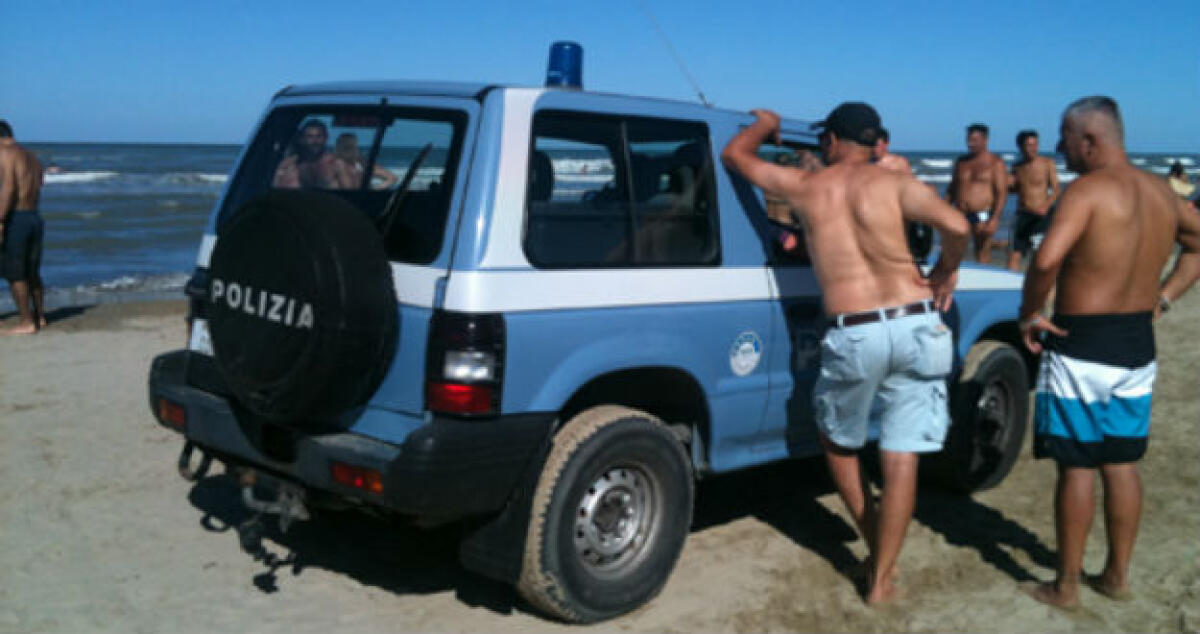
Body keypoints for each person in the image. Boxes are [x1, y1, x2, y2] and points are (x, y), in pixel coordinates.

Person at [721, 103, 969, 605]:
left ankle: (870, 532)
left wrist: (766, 126)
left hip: (855, 329)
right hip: (917, 321)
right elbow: (959, 227)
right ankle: (881, 578)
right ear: (873, 141)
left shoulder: (807, 187)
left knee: (838, 442)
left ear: (833, 140)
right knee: (901, 456)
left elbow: (734, 155)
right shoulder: (894, 184)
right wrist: (946, 270)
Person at [1019, 96, 1200, 609]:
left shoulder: (1088, 191)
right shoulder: (1161, 192)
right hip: (1137, 344)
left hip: (1082, 344)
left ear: (1090, 141)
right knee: (1121, 462)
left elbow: (1048, 257)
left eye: (1065, 137)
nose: (1059, 147)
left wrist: (1031, 312)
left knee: (1076, 466)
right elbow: (1197, 244)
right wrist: (1165, 295)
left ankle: (1066, 586)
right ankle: (1117, 576)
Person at [0, 120, 47, 335]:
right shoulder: (32, 157)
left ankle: (26, 322)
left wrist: (0, 220)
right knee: (32, 271)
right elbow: (39, 183)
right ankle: (40, 316)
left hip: (16, 218)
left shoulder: (6, 153)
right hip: (33, 216)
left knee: (15, 273)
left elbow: (9, 188)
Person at [947, 123, 1008, 263]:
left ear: (985, 140)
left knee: (982, 252)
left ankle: (986, 282)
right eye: (968, 140)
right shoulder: (961, 162)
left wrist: (995, 218)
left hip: (982, 214)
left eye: (975, 140)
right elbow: (953, 188)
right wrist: (943, 208)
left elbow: (1001, 193)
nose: (970, 143)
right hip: (960, 213)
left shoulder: (995, 163)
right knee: (953, 250)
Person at [1007, 130, 1061, 271]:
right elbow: (1015, 189)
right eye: (1028, 145)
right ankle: (1010, 286)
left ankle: (1043, 288)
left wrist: (1046, 206)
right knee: (1014, 254)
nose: (1032, 148)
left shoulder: (1047, 164)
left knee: (1040, 255)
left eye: (1035, 144)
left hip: (1041, 216)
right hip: (1023, 214)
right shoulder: (1017, 167)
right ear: (1021, 147)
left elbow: (1056, 189)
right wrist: (1008, 185)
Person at [272, 120, 338, 189]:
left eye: (319, 136)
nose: (314, 141)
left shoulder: (336, 164)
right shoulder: (288, 165)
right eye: (310, 136)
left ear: (326, 138)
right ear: (302, 139)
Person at [332, 133, 399, 189]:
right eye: (347, 148)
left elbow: (392, 178)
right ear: (339, 148)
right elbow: (347, 187)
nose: (351, 150)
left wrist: (375, 189)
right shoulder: (334, 164)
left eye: (353, 146)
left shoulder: (362, 164)